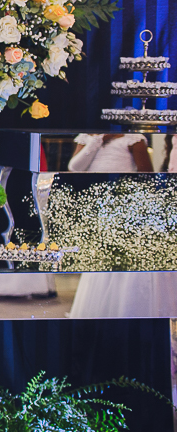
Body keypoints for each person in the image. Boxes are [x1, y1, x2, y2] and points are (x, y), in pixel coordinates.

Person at [66, 132, 176, 317]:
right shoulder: (88, 137)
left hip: (126, 200)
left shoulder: (134, 139)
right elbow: (74, 167)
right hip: (97, 199)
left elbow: (145, 177)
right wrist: (97, 141)